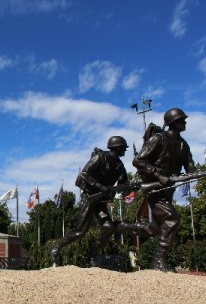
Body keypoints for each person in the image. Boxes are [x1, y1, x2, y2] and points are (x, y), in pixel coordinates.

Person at [132, 108, 196, 272]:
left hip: (168, 189)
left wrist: (194, 173)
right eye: (182, 120)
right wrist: (158, 175)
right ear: (173, 123)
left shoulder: (183, 144)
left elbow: (190, 165)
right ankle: (158, 261)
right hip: (155, 188)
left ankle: (125, 227)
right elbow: (138, 161)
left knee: (154, 228)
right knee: (171, 220)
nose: (185, 123)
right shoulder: (158, 138)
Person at [50, 136, 130, 267]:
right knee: (80, 231)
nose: (125, 151)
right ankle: (56, 247)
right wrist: (101, 187)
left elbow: (123, 183)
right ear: (117, 148)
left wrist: (129, 189)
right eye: (123, 148)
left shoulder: (120, 166)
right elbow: (85, 173)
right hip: (89, 197)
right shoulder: (100, 157)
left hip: (101, 201)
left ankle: (91, 254)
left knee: (108, 227)